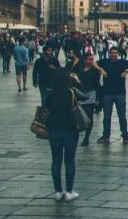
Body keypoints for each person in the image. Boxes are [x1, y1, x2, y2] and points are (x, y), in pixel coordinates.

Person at [45, 67, 85, 202]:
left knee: (56, 161)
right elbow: (86, 96)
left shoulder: (49, 92)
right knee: (69, 161)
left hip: (54, 130)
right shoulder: (71, 92)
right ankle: (69, 192)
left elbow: (47, 107)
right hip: (70, 129)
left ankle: (58, 191)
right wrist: (77, 81)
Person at [97, 47, 128, 144]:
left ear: (118, 54)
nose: (113, 55)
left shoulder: (123, 62)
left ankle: (125, 135)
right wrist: (101, 70)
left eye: (115, 53)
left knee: (122, 116)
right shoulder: (105, 62)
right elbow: (94, 63)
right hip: (107, 93)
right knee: (106, 116)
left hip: (120, 93)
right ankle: (106, 135)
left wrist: (127, 71)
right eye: (112, 53)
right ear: (109, 54)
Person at [72, 53, 105, 146]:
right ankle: (77, 134)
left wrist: (98, 98)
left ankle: (86, 137)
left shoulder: (95, 70)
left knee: (89, 116)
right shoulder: (78, 68)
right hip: (79, 94)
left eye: (92, 59)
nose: (92, 61)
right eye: (90, 59)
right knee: (77, 115)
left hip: (91, 94)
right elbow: (71, 75)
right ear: (84, 60)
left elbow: (97, 84)